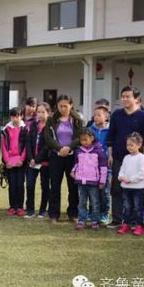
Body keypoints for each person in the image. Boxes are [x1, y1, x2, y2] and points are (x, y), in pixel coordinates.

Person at [106, 86, 144, 229]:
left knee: (135, 190)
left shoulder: (143, 116)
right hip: (118, 157)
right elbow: (111, 136)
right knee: (118, 189)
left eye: (128, 96)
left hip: (137, 159)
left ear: (136, 99)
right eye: (123, 96)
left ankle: (133, 221)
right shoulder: (116, 115)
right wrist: (110, 155)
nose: (124, 99)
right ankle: (117, 219)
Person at [45, 94, 83, 223]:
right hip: (56, 156)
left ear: (71, 105)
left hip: (72, 157)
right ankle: (54, 214)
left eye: (65, 106)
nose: (63, 109)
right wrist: (60, 148)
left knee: (73, 187)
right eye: (60, 106)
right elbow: (48, 137)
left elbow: (79, 138)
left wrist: (69, 148)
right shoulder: (52, 119)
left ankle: (73, 213)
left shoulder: (77, 119)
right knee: (55, 186)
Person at [71, 128, 107, 230]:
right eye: (81, 140)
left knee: (95, 202)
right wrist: (73, 171)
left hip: (93, 182)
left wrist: (102, 181)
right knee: (81, 203)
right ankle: (82, 220)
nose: (83, 142)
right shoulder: (78, 151)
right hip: (81, 182)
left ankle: (95, 221)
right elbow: (77, 164)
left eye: (85, 139)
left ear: (92, 138)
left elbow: (103, 167)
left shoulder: (99, 151)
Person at [117, 133, 144, 236]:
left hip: (138, 188)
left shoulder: (142, 158)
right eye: (127, 145)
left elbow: (143, 173)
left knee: (138, 208)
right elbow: (122, 169)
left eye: (131, 145)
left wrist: (131, 180)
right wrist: (121, 177)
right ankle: (126, 225)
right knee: (127, 207)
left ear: (139, 145)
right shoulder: (126, 157)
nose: (129, 147)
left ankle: (140, 226)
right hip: (126, 187)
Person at [25, 102, 51, 218]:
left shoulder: (50, 127)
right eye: (38, 112)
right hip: (31, 163)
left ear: (48, 113)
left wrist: (37, 159)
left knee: (45, 186)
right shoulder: (33, 125)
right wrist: (31, 158)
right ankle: (30, 210)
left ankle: (42, 210)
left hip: (44, 163)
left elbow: (47, 146)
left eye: (43, 112)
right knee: (30, 185)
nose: (40, 114)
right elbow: (29, 142)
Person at [2, 107, 27, 216]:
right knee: (12, 185)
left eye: (17, 116)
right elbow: (3, 147)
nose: (15, 119)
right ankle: (12, 206)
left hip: (21, 162)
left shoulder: (25, 129)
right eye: (13, 116)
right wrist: (7, 161)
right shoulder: (6, 130)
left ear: (21, 116)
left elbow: (26, 146)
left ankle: (20, 207)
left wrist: (22, 159)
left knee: (20, 185)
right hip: (10, 162)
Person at [89, 106, 111, 225]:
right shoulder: (90, 129)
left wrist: (106, 157)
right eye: (95, 115)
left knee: (105, 191)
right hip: (92, 165)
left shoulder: (111, 129)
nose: (96, 117)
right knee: (93, 190)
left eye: (99, 115)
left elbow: (110, 145)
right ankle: (93, 212)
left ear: (106, 117)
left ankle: (105, 213)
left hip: (105, 165)